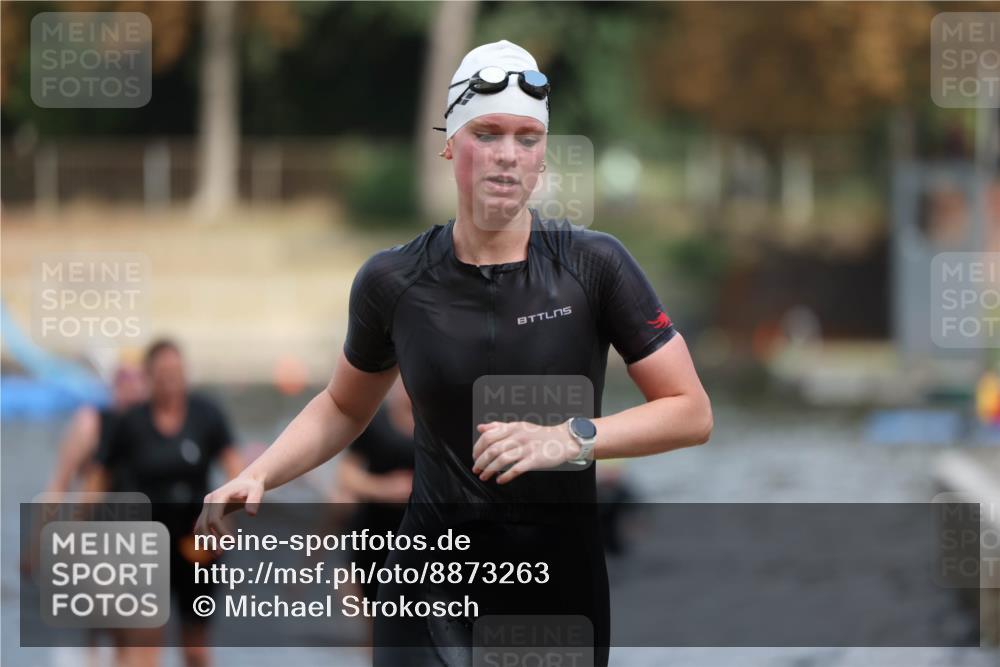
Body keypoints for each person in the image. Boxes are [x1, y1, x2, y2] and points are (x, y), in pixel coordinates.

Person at [196, 39, 712, 667]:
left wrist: (572, 438)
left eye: (526, 138)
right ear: (450, 144)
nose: (506, 156)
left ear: (543, 156)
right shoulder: (394, 281)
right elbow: (342, 406)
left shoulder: (594, 266)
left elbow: (690, 410)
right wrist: (259, 474)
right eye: (487, 133)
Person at [87, 338, 245, 667]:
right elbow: (98, 480)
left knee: (196, 646)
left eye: (176, 372)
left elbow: (237, 471)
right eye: (162, 374)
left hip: (195, 539)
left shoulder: (206, 414)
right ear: (148, 377)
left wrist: (228, 519)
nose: (170, 380)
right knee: (145, 640)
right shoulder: (130, 423)